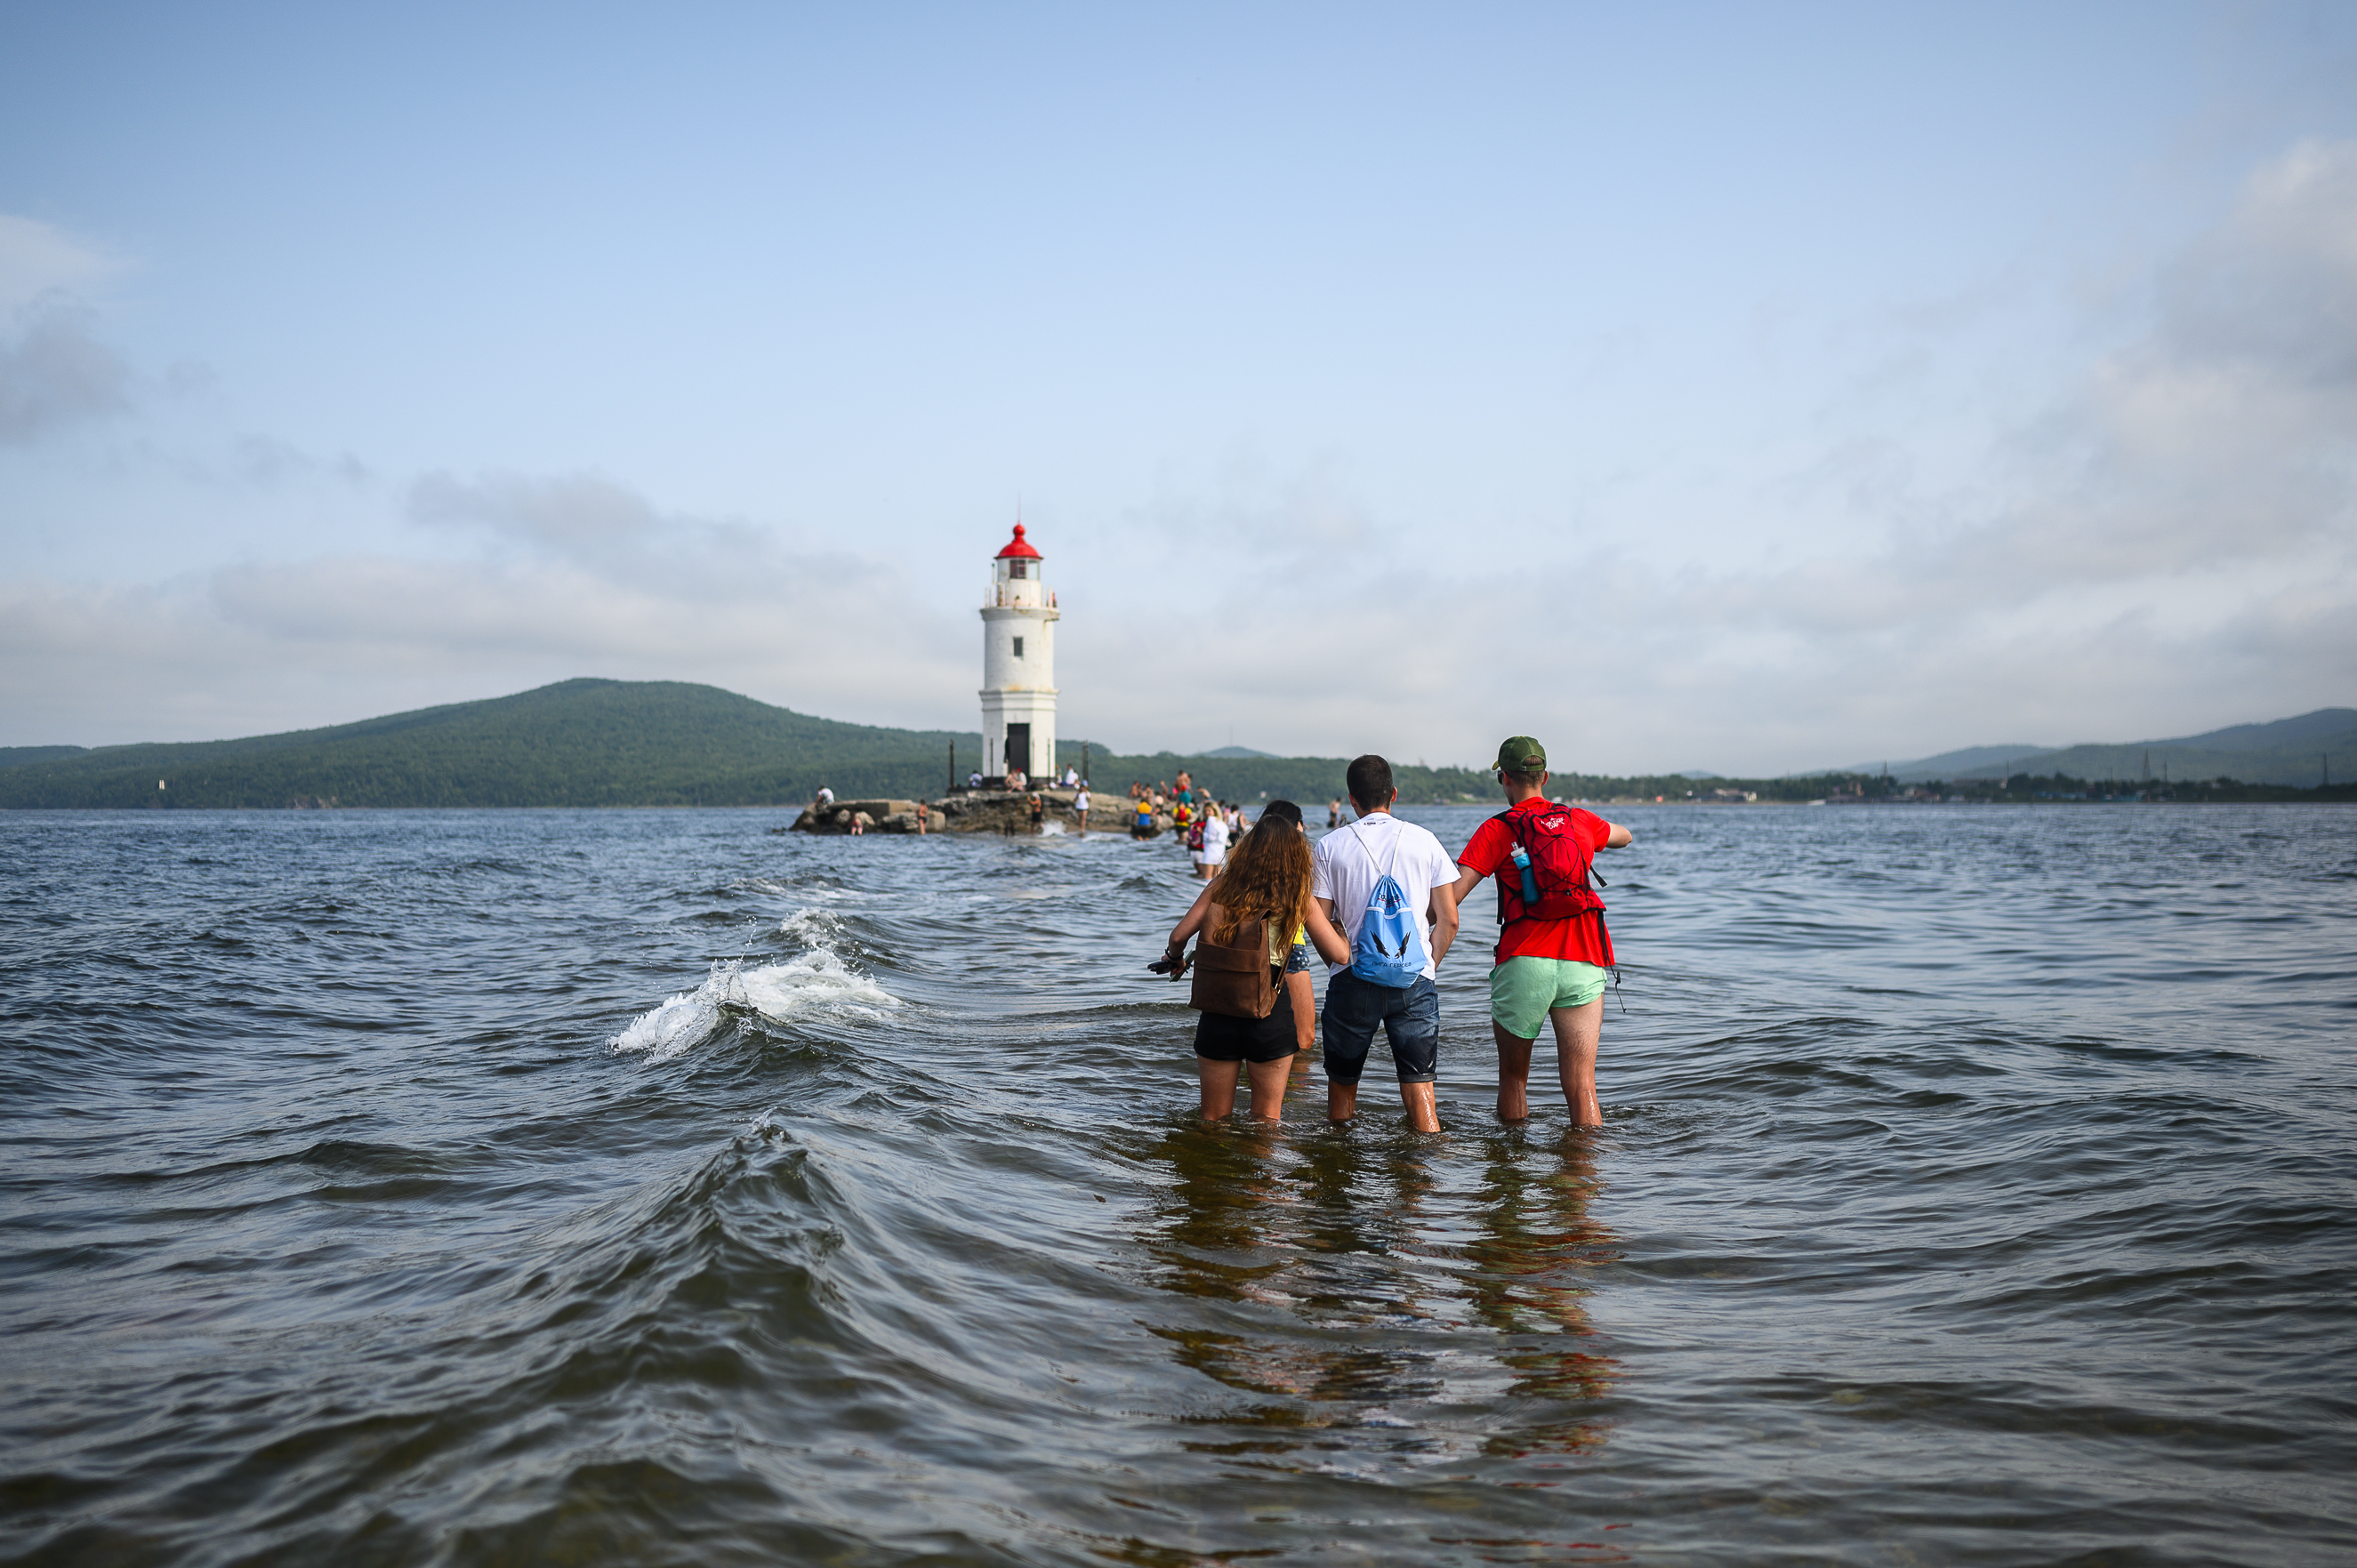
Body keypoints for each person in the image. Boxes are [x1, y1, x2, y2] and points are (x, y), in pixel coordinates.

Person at [1447, 736, 1632, 1127]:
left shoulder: (1497, 829)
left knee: (1514, 1080)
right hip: (1584, 959)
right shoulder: (1579, 821)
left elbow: (1454, 896)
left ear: (1504, 779)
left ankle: (1512, 1174)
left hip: (1525, 960)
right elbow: (1624, 836)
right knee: (1583, 1085)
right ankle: (1582, 1178)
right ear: (1544, 776)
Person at [1158, 811, 1345, 1121]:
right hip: (1270, 1012)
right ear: (1294, 854)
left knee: (1212, 1119)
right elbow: (1339, 955)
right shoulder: (1297, 894)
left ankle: (1209, 1167)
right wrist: (1341, 929)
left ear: (1248, 847)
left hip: (1219, 1009)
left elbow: (1178, 936)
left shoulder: (1222, 884)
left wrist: (1176, 958)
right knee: (1266, 1122)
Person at [1310, 755, 1461, 1131]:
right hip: (1415, 981)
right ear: (1393, 794)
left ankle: (1341, 1171)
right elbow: (1450, 920)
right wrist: (1425, 966)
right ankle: (1424, 1179)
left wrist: (1338, 961)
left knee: (1342, 1092)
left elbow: (1319, 921)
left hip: (1352, 978)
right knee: (1421, 1091)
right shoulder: (1425, 841)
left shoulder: (1330, 846)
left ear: (1351, 800)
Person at [1199, 801, 1229, 880]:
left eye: (1209, 810)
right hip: (1220, 853)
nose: (1207, 813)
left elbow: (1211, 837)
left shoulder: (1211, 820)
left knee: (1207, 879)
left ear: (1214, 810)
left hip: (1210, 851)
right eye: (1205, 811)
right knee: (1217, 880)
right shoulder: (1221, 822)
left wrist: (1202, 833)